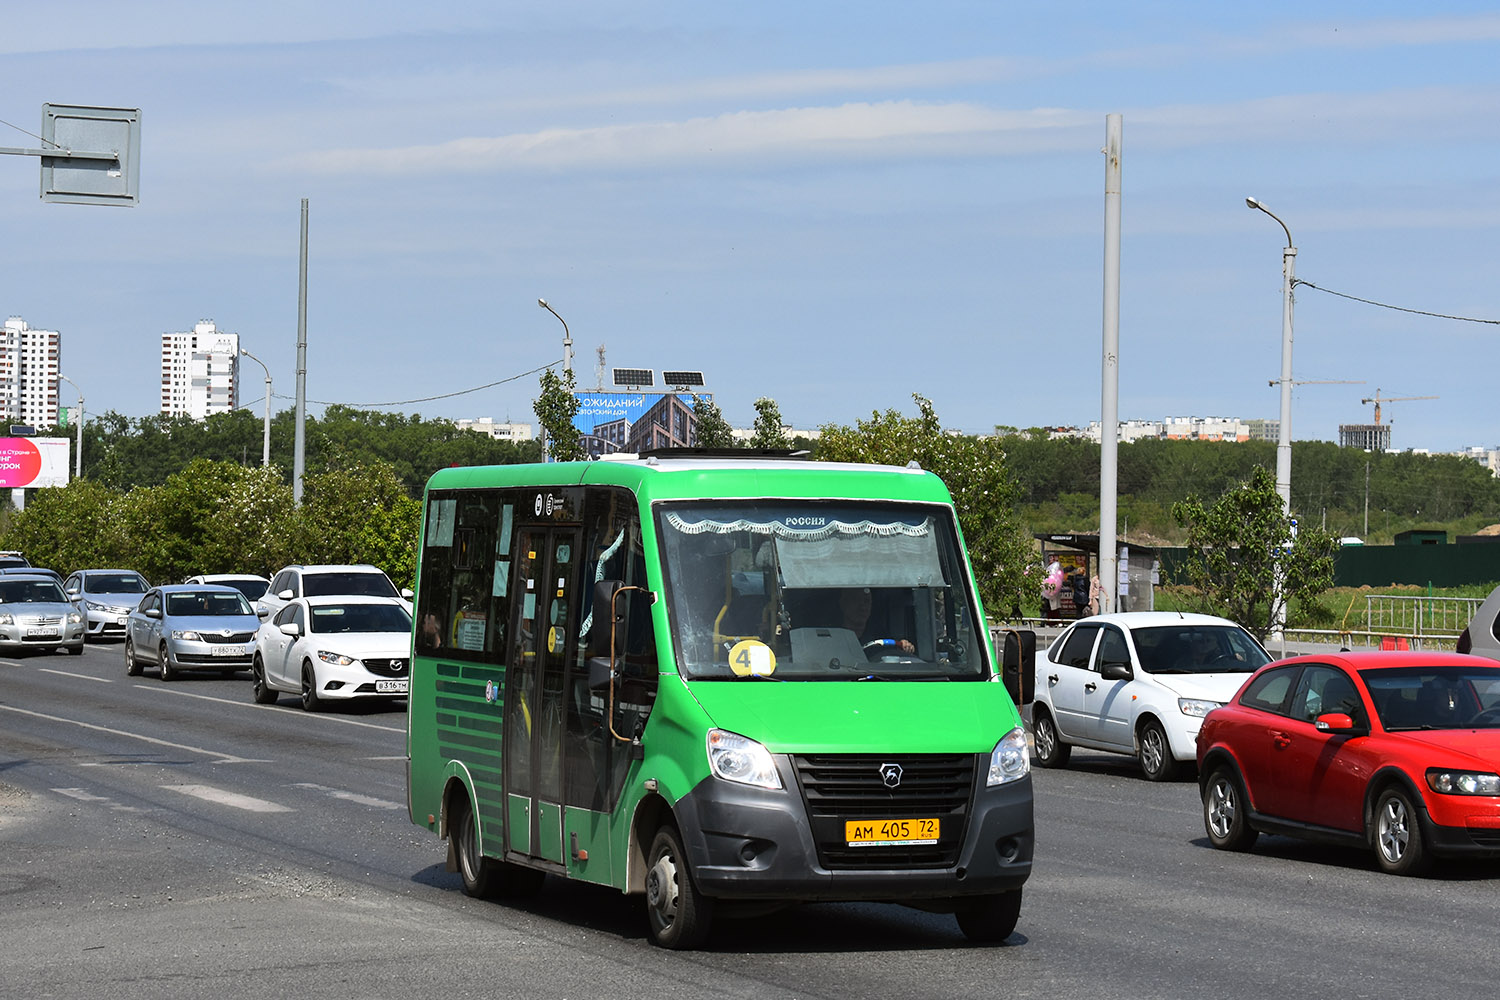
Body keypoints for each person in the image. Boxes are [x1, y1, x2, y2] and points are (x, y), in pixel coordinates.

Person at [837, 587, 914, 654]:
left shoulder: (879, 636)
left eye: (866, 601)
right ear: (843, 603)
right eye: (856, 600)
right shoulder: (833, 636)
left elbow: (892, 652)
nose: (863, 607)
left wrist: (903, 646)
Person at [1041, 558, 1064, 622]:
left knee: (1053, 609)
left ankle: (1051, 621)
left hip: (1052, 595)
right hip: (1047, 594)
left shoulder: (1054, 574)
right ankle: (1047, 621)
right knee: (1049, 609)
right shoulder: (1048, 573)